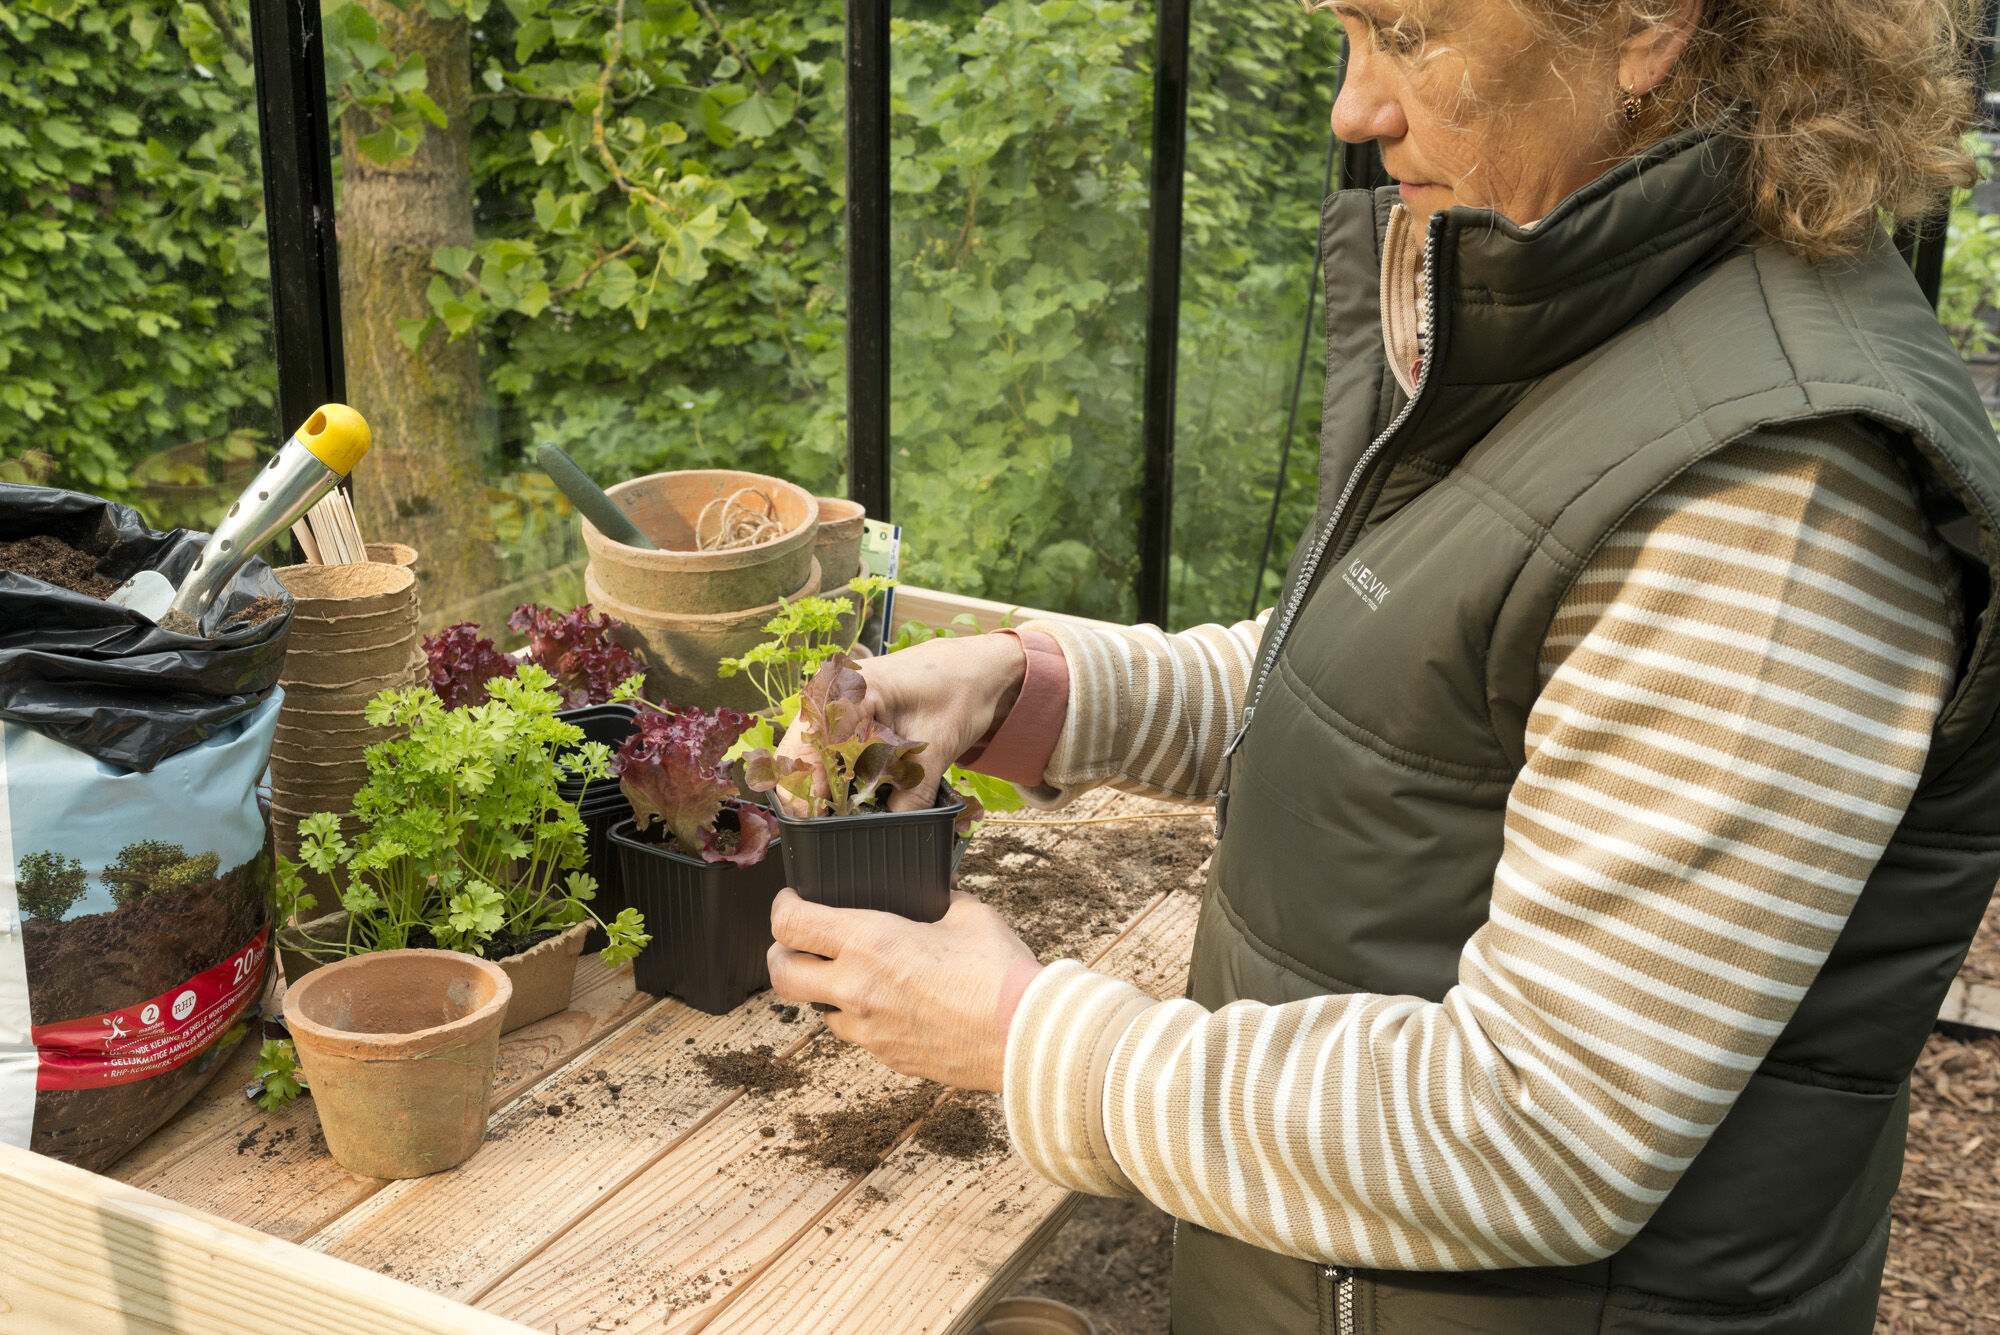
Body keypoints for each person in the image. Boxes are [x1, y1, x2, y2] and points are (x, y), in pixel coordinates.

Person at [764, 0, 2000, 1328]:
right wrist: (1029, 688)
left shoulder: (1774, 500)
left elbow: (1535, 1131)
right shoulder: (1602, 306)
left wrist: (1025, 1038)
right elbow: (1406, 686)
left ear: (1645, 26)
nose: (1356, 106)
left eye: (1409, 32)